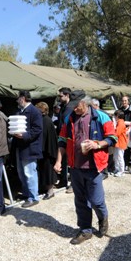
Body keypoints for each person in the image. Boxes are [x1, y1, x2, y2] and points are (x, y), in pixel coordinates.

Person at [54, 96, 116, 244]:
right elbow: (62, 140)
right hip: (75, 167)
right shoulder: (69, 118)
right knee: (80, 201)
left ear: (85, 102)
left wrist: (97, 144)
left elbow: (112, 138)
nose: (75, 109)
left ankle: (103, 217)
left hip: (94, 167)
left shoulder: (101, 116)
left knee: (96, 200)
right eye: (73, 106)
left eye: (77, 105)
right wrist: (58, 161)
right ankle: (85, 230)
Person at [12, 90, 43, 208]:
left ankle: (33, 197)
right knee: (21, 172)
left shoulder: (34, 112)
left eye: (18, 98)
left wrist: (24, 135)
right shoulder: (20, 111)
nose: (16, 100)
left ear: (23, 98)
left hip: (29, 148)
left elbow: (37, 129)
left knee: (29, 172)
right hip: (20, 147)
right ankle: (26, 193)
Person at [35, 102, 58, 200]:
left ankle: (50, 191)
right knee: (44, 170)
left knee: (48, 170)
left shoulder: (46, 121)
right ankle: (45, 188)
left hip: (48, 151)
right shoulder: (44, 119)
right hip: (46, 150)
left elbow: (45, 137)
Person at [112, 110, 128, 177]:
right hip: (118, 143)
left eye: (115, 116)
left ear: (117, 116)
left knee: (120, 157)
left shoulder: (120, 123)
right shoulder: (119, 122)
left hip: (120, 143)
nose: (114, 117)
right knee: (116, 157)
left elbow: (117, 133)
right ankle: (117, 169)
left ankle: (121, 171)